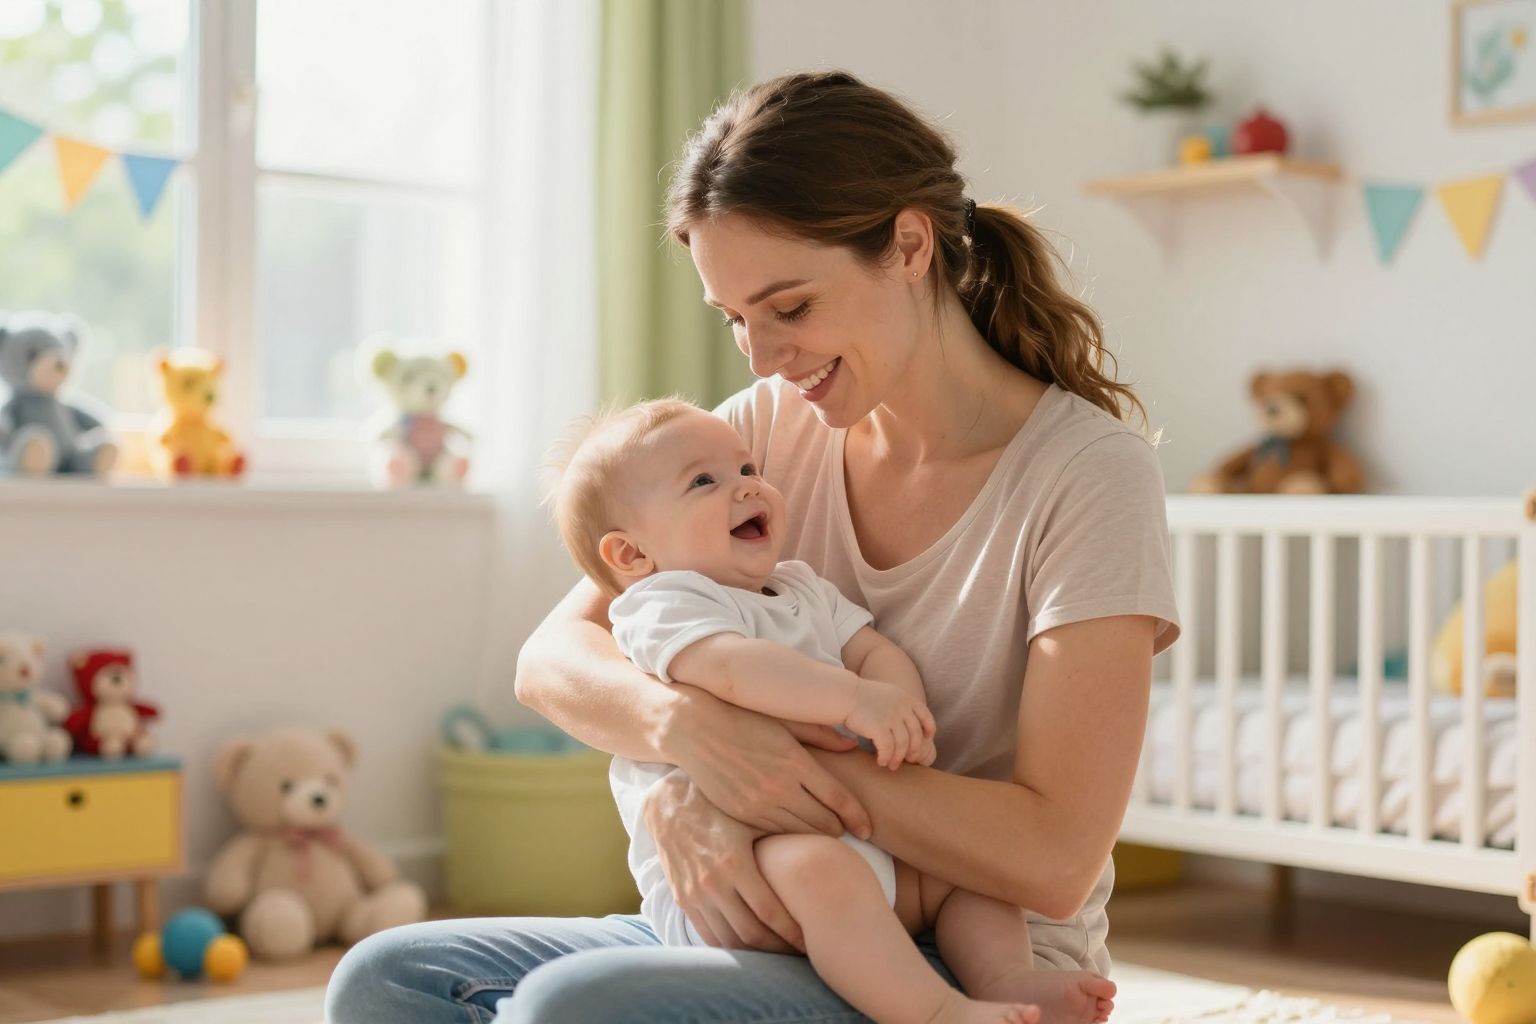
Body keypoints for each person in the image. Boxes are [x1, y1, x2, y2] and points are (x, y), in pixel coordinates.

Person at [326, 69, 1181, 1024]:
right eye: (736, 320)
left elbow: (1054, 858)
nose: (764, 357)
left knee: (576, 1007)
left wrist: (750, 780)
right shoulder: (760, 436)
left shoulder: (1087, 474)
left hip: (959, 953)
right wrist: (685, 743)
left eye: (790, 308)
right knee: (385, 977)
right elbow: (553, 660)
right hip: (757, 906)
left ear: (908, 244)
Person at [541, 396, 1112, 1023]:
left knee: (971, 879)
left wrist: (902, 705)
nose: (744, 488)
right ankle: (936, 1013)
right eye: (703, 482)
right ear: (630, 556)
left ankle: (1007, 978)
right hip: (752, 883)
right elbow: (731, 670)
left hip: (872, 856)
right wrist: (853, 699)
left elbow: (871, 648)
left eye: (748, 470)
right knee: (822, 874)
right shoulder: (663, 603)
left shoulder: (799, 586)